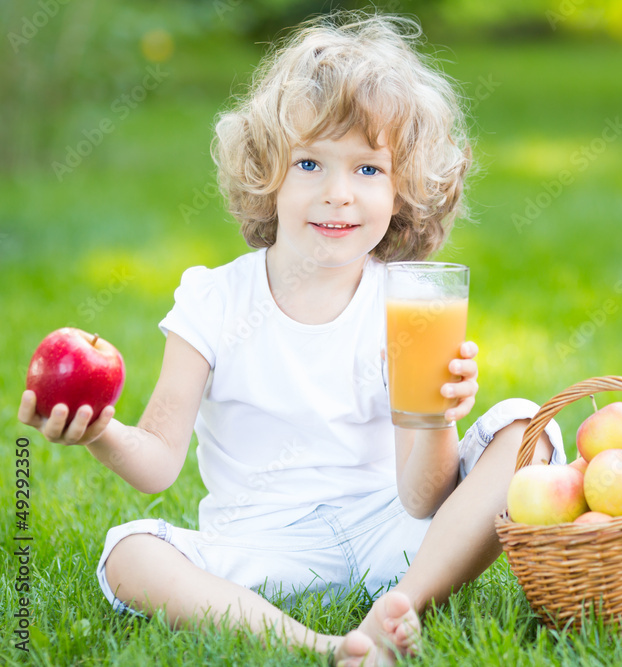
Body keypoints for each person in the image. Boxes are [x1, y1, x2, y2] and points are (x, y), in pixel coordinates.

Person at [18, 12, 564, 666]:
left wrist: (438, 417)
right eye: (310, 162)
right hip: (259, 549)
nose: (338, 194)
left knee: (527, 430)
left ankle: (402, 605)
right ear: (267, 173)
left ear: (402, 189)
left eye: (367, 170)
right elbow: (159, 461)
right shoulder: (214, 300)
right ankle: (320, 642)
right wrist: (99, 431)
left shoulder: (409, 303)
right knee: (129, 553)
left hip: (387, 538)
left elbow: (422, 496)